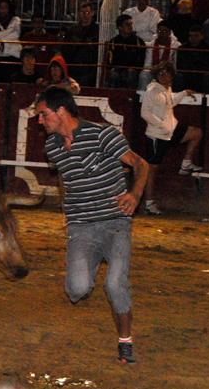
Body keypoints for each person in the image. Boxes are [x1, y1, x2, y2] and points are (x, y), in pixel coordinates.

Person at [32, 86, 149, 365]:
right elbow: (64, 175)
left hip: (114, 222)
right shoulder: (52, 145)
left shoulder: (102, 134)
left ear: (61, 112)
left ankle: (125, 343)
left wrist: (134, 194)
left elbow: (140, 164)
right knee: (77, 290)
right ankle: (88, 263)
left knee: (115, 284)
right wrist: (66, 208)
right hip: (81, 226)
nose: (39, 121)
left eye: (42, 114)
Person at [141, 61, 202, 215]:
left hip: (170, 130)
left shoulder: (165, 89)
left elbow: (170, 102)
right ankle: (149, 203)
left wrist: (183, 93)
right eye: (160, 73)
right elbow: (145, 113)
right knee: (152, 170)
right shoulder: (152, 90)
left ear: (171, 76)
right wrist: (161, 125)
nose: (163, 75)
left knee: (196, 133)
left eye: (166, 73)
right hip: (157, 135)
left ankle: (186, 164)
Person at [62, 2, 99, 87]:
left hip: (90, 68)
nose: (84, 15)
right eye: (82, 12)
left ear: (92, 13)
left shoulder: (97, 30)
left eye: (87, 12)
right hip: (74, 66)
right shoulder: (72, 30)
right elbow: (66, 47)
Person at [106, 14, 146, 88]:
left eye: (131, 24)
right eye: (127, 24)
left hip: (132, 70)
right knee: (113, 74)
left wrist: (132, 68)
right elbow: (109, 61)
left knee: (130, 74)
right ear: (120, 27)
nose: (130, 26)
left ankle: (130, 98)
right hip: (118, 69)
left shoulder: (139, 42)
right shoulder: (113, 42)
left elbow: (141, 61)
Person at [138, 20, 181, 90]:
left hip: (169, 72)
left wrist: (166, 68)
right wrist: (156, 67)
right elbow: (146, 66)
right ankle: (141, 98)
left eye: (165, 31)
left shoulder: (176, 45)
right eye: (160, 31)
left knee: (178, 76)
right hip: (154, 71)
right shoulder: (151, 45)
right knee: (144, 75)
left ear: (169, 32)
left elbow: (175, 66)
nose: (162, 33)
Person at [0, 0, 22, 83]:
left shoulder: (16, 19)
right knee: (1, 81)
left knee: (13, 80)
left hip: (13, 55)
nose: (4, 10)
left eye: (6, 7)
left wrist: (0, 37)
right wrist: (10, 30)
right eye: (1, 8)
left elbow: (16, 35)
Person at [175, 25, 209, 93]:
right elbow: (180, 66)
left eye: (196, 36)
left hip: (202, 75)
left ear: (202, 36)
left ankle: (208, 100)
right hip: (187, 75)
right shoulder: (182, 48)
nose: (193, 38)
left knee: (208, 78)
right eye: (190, 36)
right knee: (178, 77)